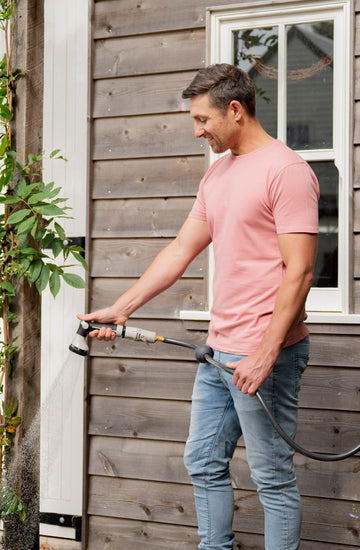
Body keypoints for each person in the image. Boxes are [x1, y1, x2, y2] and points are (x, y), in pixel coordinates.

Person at [79, 63, 319, 550]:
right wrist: (123, 307)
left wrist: (267, 352)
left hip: (262, 355)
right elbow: (179, 251)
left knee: (270, 476)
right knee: (203, 461)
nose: (197, 131)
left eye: (202, 119)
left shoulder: (287, 171)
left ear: (235, 110)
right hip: (217, 352)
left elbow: (300, 271)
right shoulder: (219, 175)